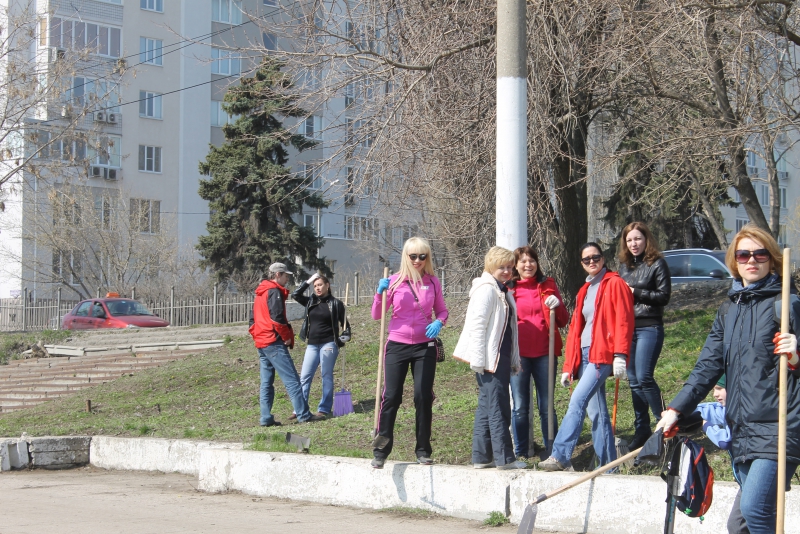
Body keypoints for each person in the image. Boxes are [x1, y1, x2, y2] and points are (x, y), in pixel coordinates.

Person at [656, 224, 800, 534]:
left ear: (772, 259)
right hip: (741, 427)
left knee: (755, 509)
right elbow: (707, 366)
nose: (752, 260)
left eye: (760, 254)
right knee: (741, 523)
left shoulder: (787, 304)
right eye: (744, 254)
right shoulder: (728, 310)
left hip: (779, 425)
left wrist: (797, 355)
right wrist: (676, 409)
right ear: (735, 261)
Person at [539, 242, 634, 471]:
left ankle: (560, 455)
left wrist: (620, 354)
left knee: (577, 401)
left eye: (595, 257)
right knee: (597, 412)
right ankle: (609, 467)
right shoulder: (584, 290)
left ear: (603, 258)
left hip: (602, 353)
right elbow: (576, 330)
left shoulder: (615, 283)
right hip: (584, 354)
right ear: (582, 263)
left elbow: (624, 319)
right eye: (586, 259)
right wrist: (568, 367)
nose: (592, 261)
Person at [371, 237, 449, 469]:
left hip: (425, 346)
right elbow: (377, 314)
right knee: (391, 396)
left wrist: (439, 322)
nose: (417, 260)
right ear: (406, 257)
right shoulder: (394, 281)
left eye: (422, 256)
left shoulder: (432, 282)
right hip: (397, 344)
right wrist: (379, 293)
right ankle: (381, 450)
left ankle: (423, 450)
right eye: (413, 256)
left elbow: (442, 311)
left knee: (423, 396)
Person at [454, 246, 526, 470]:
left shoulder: (502, 290)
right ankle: (505, 459)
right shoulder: (486, 290)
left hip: (500, 356)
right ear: (491, 266)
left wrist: (513, 359)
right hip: (489, 359)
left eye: (509, 267)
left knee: (486, 407)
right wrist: (479, 361)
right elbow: (477, 326)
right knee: (498, 407)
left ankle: (482, 457)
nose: (506, 271)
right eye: (501, 267)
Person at [508, 245, 569, 457]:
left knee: (547, 405)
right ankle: (521, 451)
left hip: (545, 353)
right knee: (520, 406)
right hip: (518, 355)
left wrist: (557, 305)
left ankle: (552, 449)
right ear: (516, 266)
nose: (528, 265)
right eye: (523, 261)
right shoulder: (509, 289)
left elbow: (563, 320)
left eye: (532, 260)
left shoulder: (547, 284)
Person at [249, 263, 325, 427]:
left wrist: (257, 335)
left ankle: (265, 417)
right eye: (285, 275)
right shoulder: (274, 291)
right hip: (273, 341)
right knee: (292, 380)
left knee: (266, 383)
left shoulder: (260, 292)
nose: (287, 278)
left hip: (262, 342)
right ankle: (303, 414)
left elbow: (252, 320)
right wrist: (286, 337)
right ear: (277, 274)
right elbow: (277, 318)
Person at [617, 222, 671, 449]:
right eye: (629, 240)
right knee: (634, 381)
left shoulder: (657, 263)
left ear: (646, 239)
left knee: (644, 377)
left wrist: (635, 292)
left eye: (637, 239)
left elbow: (664, 296)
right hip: (628, 328)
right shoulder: (624, 267)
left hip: (650, 326)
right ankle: (642, 429)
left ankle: (665, 426)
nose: (634, 244)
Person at [291, 273, 352, 418]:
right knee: (305, 376)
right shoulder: (310, 301)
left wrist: (345, 336)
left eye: (320, 285)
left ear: (327, 285)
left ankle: (324, 408)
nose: (317, 288)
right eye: (315, 286)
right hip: (312, 345)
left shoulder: (336, 304)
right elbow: (295, 294)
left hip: (329, 343)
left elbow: (346, 326)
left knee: (326, 375)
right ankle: (300, 409)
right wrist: (309, 281)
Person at [694, 376, 748, 534]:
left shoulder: (743, 411)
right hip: (745, 482)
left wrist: (705, 425)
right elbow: (708, 409)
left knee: (741, 525)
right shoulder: (726, 408)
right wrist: (678, 412)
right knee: (738, 526)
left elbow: (726, 441)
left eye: (719, 388)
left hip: (757, 478)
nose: (715, 394)